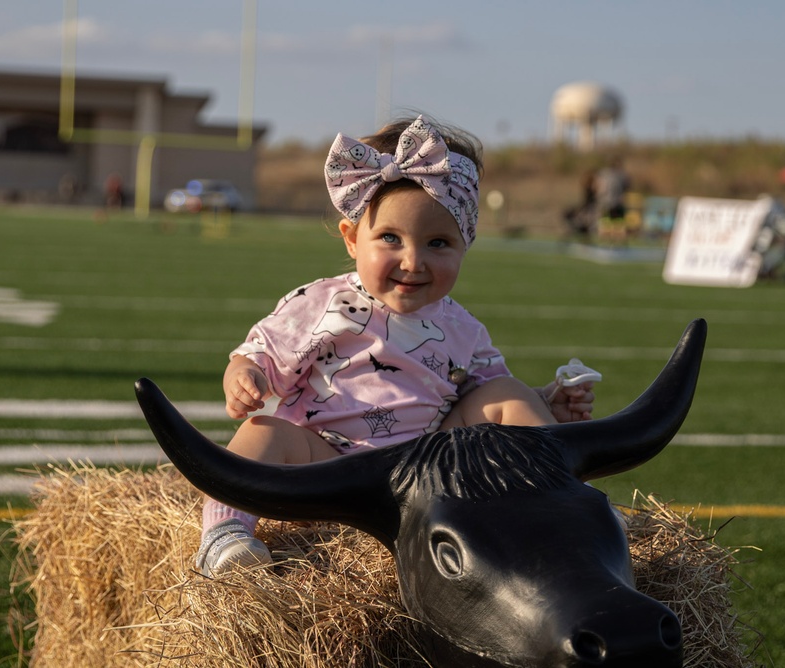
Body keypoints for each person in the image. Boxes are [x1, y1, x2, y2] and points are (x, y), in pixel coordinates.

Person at [197, 115, 599, 576]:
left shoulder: (462, 327)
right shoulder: (323, 303)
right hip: (326, 472)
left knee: (505, 395)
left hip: (432, 478)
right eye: (390, 238)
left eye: (438, 243)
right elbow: (263, 350)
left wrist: (544, 400)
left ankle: (560, 513)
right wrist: (244, 373)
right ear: (352, 239)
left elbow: (489, 393)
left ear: (464, 246)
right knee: (262, 432)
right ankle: (226, 536)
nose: (413, 261)